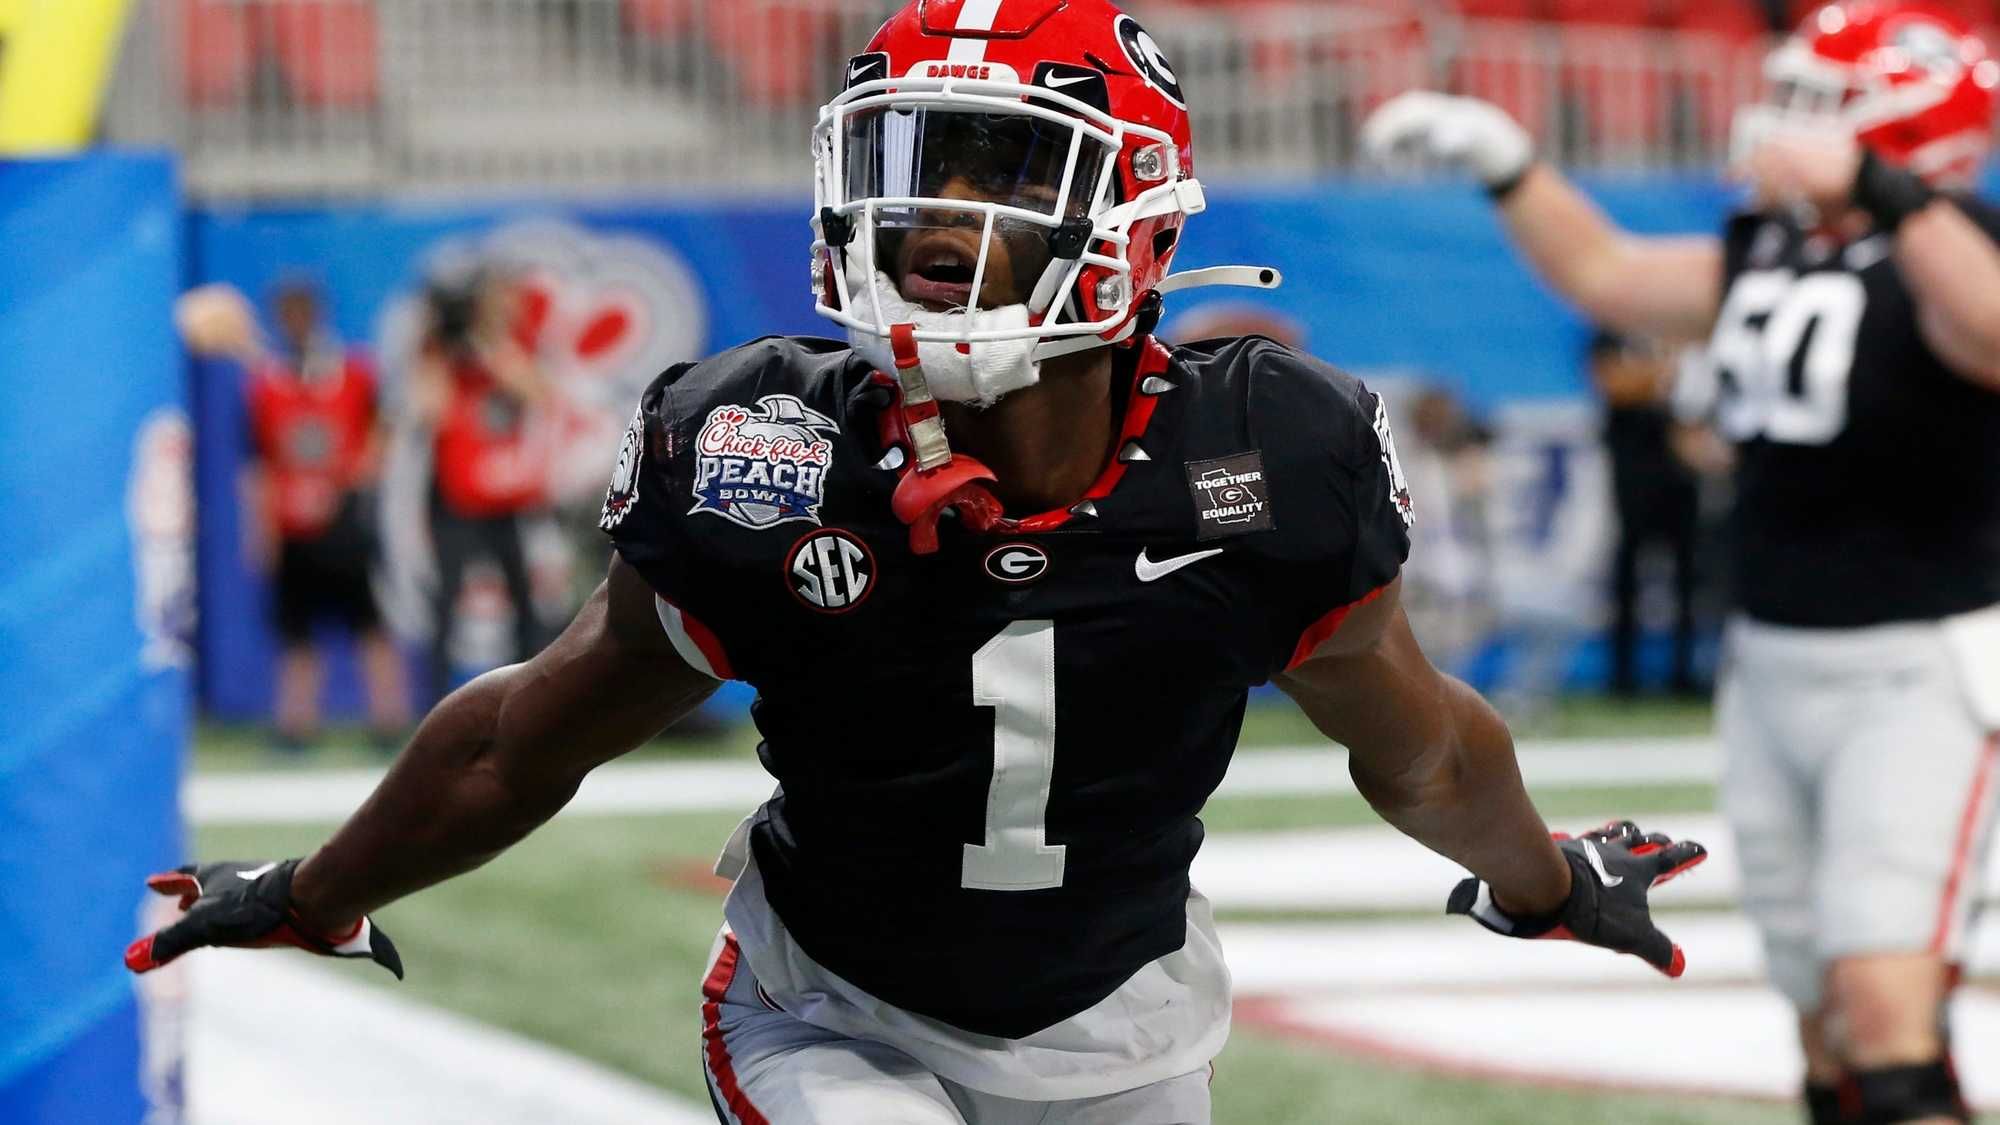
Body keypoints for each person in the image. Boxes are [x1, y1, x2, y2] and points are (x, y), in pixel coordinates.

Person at [126, 4, 1705, 1122]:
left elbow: (1423, 748)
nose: (934, 212)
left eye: (1004, 166)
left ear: (1142, 224)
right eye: (913, 155)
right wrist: (316, 892)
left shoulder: (1269, 456)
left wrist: (1547, 884)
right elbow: (527, 732)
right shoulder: (765, 444)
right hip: (830, 1011)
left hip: (1127, 1020)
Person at [1363, 3, 2000, 1121]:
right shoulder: (1774, 244)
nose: (1787, 121)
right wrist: (1511, 166)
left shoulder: (1951, 248)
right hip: (1771, 659)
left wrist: (1889, 193)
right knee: (1821, 1023)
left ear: (1907, 131)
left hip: (1917, 665)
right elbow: (1608, 273)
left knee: (1885, 1010)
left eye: (1823, 103)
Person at [243, 280, 411, 750]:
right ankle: (297, 725)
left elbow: (384, 431)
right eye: (288, 317)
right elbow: (258, 464)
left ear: (316, 317)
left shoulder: (352, 372)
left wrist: (352, 478)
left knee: (370, 625)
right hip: (293, 524)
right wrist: (261, 528)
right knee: (295, 632)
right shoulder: (267, 383)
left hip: (344, 522)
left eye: (302, 315)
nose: (295, 325)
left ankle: (388, 721)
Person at [407, 263, 552, 701]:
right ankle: (435, 702)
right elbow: (429, 413)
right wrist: (440, 347)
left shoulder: (515, 346)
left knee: (523, 598)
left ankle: (527, 695)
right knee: (447, 600)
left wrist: (488, 346)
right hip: (456, 496)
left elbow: (536, 393)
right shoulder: (442, 350)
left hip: (503, 493)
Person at [1589, 330, 1702, 698]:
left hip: (1679, 478)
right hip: (1633, 480)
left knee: (1686, 582)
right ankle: (1622, 677)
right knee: (1627, 581)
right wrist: (1666, 372)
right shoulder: (1611, 334)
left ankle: (1682, 674)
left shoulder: (1670, 335)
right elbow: (1613, 384)